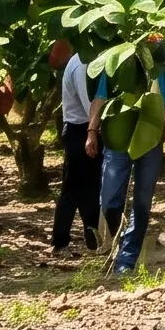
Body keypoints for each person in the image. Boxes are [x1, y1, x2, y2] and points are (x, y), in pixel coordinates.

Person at [96, 43, 165, 274]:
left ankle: (126, 261)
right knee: (109, 202)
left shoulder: (162, 65)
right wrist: (90, 131)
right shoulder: (115, 61)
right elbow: (100, 96)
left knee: (142, 202)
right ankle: (120, 239)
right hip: (118, 139)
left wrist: (162, 50)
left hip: (150, 138)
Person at [53, 45, 102, 254]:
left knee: (85, 188)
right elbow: (89, 104)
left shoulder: (86, 61)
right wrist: (93, 131)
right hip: (80, 129)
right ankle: (63, 241)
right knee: (77, 189)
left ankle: (89, 240)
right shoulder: (83, 65)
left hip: (83, 128)